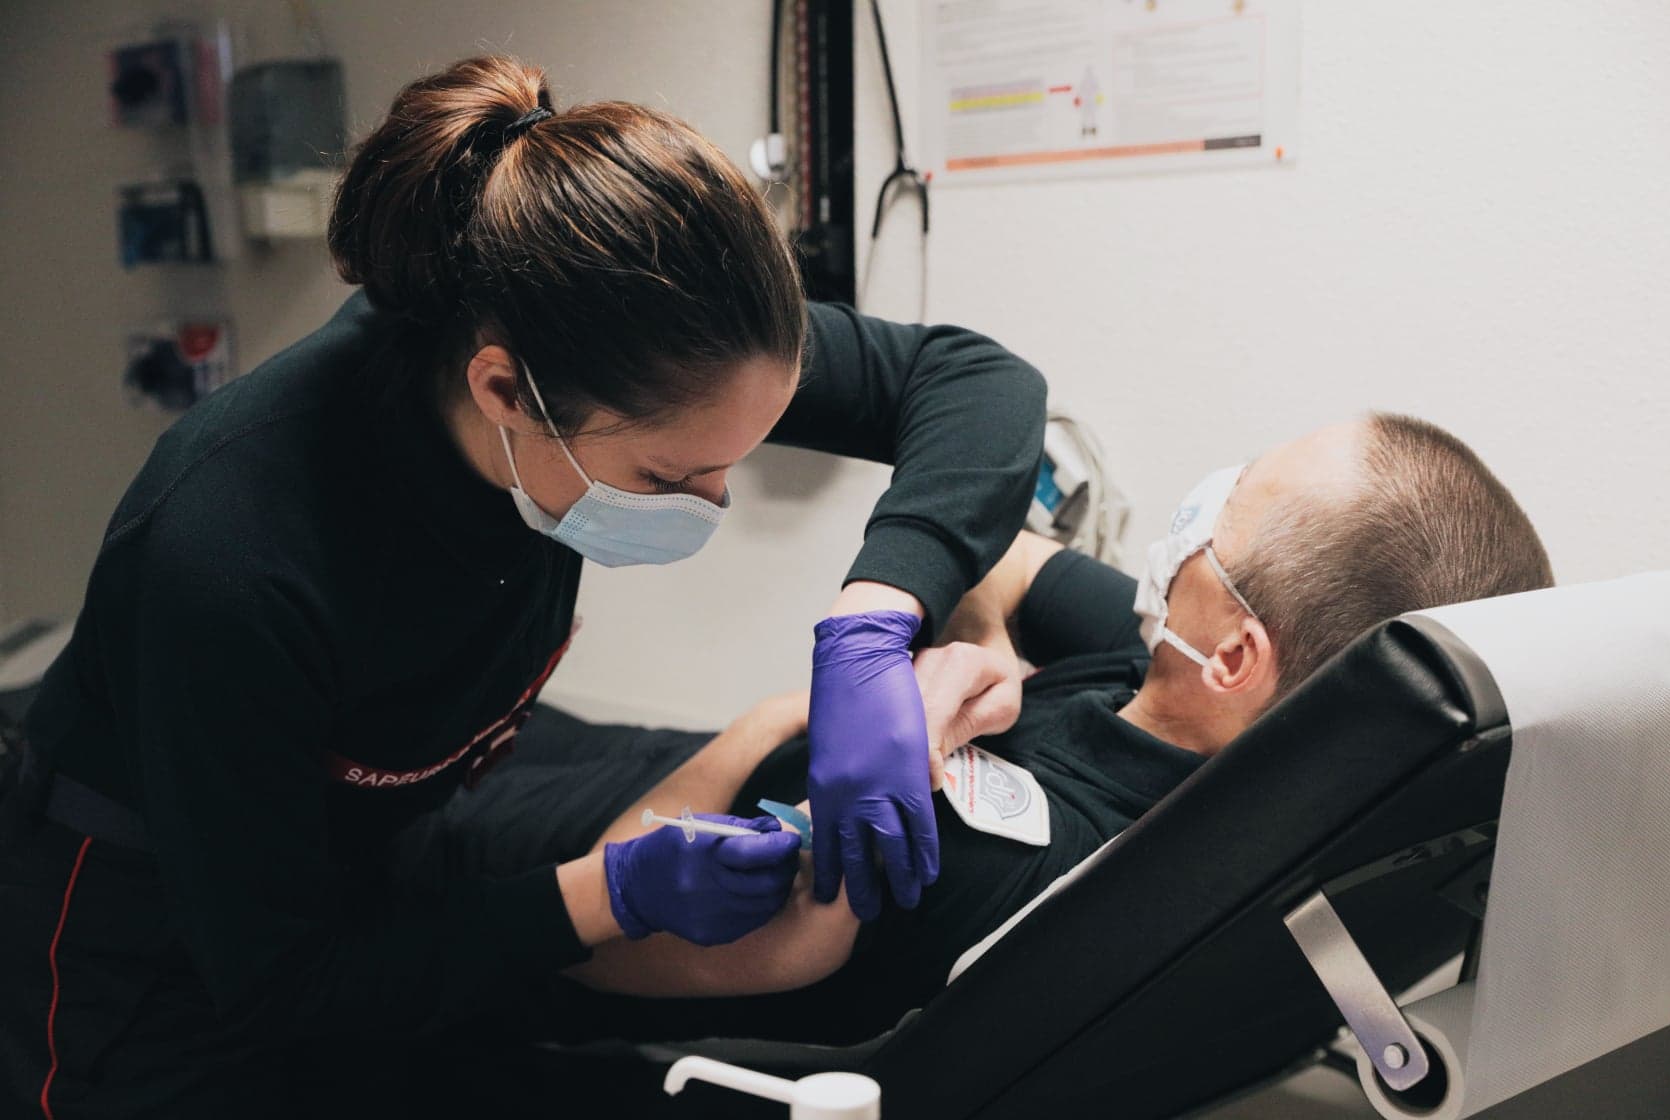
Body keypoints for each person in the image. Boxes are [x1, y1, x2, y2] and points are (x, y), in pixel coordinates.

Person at [0, 56, 1046, 1117]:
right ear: (503, 390)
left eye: (734, 460)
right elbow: (287, 980)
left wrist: (876, 614)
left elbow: (977, 382)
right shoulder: (234, 553)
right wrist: (610, 891)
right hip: (143, 961)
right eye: (669, 478)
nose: (715, 502)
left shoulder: (620, 352)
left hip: (380, 830)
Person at [506, 413, 1553, 1044]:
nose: (1205, 508)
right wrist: (983, 647)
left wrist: (778, 720)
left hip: (585, 856)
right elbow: (1002, 558)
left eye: (1229, 513)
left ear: (1237, 656)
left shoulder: (1015, 865)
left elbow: (587, 952)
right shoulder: (1190, 690)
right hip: (644, 762)